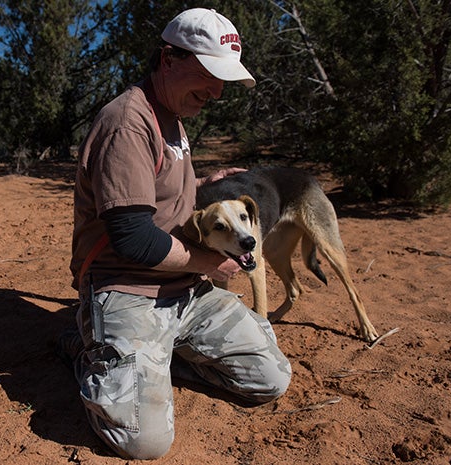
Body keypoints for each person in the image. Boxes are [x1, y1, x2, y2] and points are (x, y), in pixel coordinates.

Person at [61, 8, 291, 460]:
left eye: (223, 80)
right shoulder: (129, 122)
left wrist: (203, 185)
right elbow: (133, 239)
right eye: (209, 74)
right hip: (129, 287)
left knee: (269, 380)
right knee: (143, 442)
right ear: (169, 59)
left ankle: (155, 360)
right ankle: (86, 349)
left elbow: (155, 194)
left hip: (184, 289)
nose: (218, 91)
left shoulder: (172, 112)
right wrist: (214, 263)